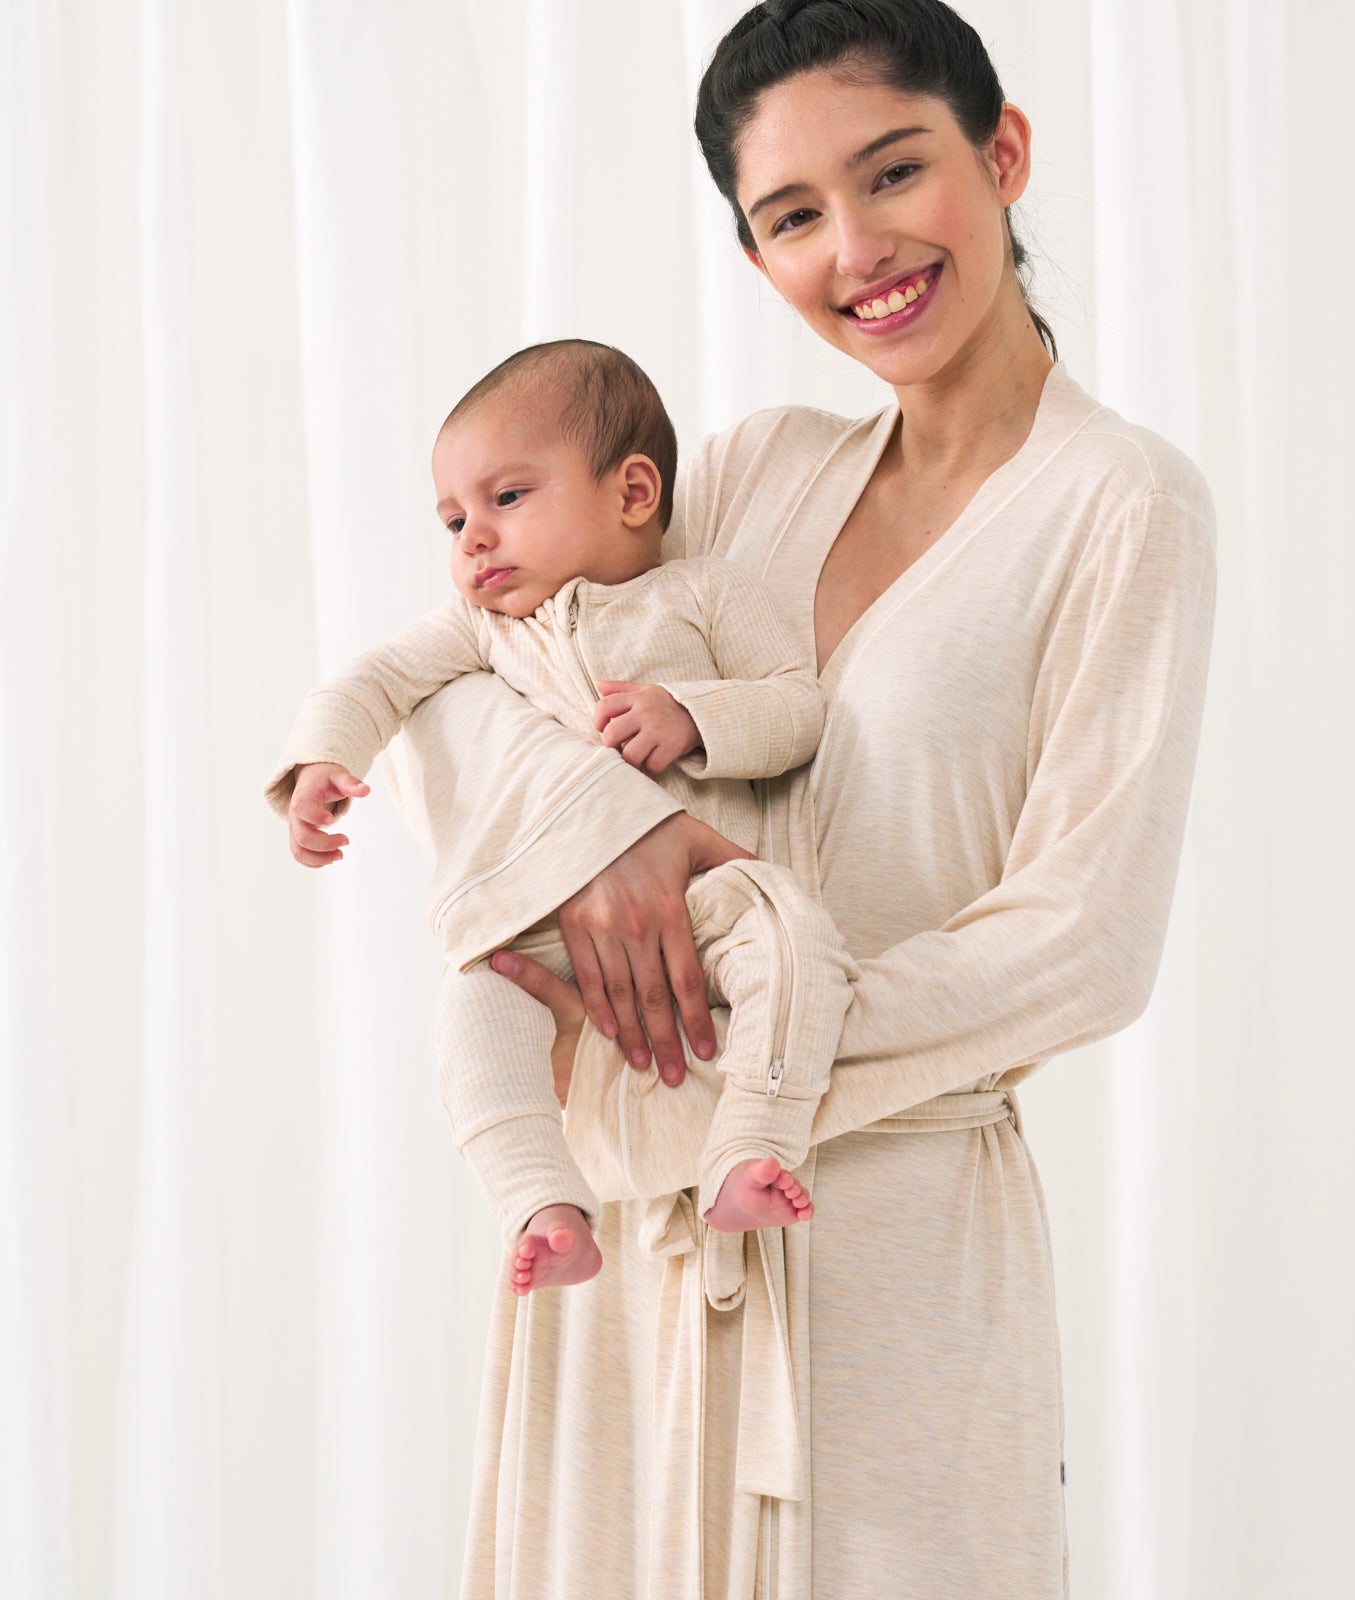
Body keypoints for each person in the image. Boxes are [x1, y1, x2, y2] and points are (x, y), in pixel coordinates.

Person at [385, 0, 1218, 1594]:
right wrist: (598, 842)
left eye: (895, 172)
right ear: (754, 251)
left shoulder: (1122, 508)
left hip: (880, 1252)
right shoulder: (754, 470)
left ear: (1004, 153)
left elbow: (1084, 940)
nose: (857, 247)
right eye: (790, 216)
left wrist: (747, 1044)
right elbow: (482, 664)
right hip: (621, 1233)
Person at [264, 339, 856, 1287]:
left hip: (705, 897)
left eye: (505, 499)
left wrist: (695, 715)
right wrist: (322, 759)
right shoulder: (483, 631)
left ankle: (751, 1147)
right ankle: (538, 1201)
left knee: (798, 942)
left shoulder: (701, 595)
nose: (471, 539)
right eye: (452, 517)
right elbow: (375, 678)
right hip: (541, 917)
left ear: (631, 494)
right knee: (473, 1011)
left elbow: (797, 704)